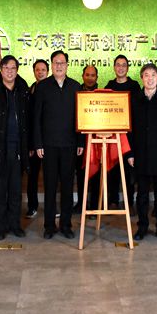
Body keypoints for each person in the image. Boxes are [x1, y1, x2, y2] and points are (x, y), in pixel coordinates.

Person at [33, 50, 84, 239]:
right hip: (48, 146)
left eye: (62, 63)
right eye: (56, 63)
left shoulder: (75, 86)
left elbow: (80, 117)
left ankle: (66, 225)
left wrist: (80, 141)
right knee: (50, 186)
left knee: (68, 187)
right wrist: (38, 143)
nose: (59, 66)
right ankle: (49, 226)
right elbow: (36, 118)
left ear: (67, 65)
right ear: (51, 65)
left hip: (70, 145)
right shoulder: (43, 86)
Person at [0, 55, 30, 240]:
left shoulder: (22, 91)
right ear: (1, 70)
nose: (10, 71)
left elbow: (28, 120)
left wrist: (28, 146)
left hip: (17, 149)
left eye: (13, 68)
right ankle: (0, 227)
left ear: (17, 70)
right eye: (6, 68)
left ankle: (15, 225)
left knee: (16, 191)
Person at [127, 63, 157, 241]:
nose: (150, 78)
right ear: (142, 78)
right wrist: (130, 153)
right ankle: (142, 227)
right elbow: (129, 129)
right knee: (142, 194)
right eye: (146, 75)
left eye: (153, 75)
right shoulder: (135, 100)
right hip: (140, 154)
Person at [105, 55, 140, 211]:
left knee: (128, 170)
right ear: (114, 67)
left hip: (130, 135)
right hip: (113, 134)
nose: (120, 68)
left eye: (123, 65)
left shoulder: (134, 86)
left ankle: (129, 202)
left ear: (127, 68)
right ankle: (113, 200)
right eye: (118, 65)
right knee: (113, 169)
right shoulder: (109, 86)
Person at [73, 65, 100, 214]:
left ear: (97, 77)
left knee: (96, 176)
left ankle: (95, 206)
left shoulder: (102, 95)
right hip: (79, 142)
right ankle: (81, 204)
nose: (90, 78)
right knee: (81, 174)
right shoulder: (76, 93)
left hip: (97, 142)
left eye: (93, 75)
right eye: (87, 75)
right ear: (82, 76)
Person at [26, 59, 49, 219]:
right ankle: (32, 206)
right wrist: (31, 144)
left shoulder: (52, 89)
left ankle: (51, 207)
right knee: (32, 176)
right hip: (34, 142)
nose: (40, 72)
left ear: (48, 72)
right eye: (37, 70)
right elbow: (29, 120)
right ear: (34, 71)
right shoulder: (29, 91)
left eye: (43, 70)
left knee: (51, 177)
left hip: (49, 141)